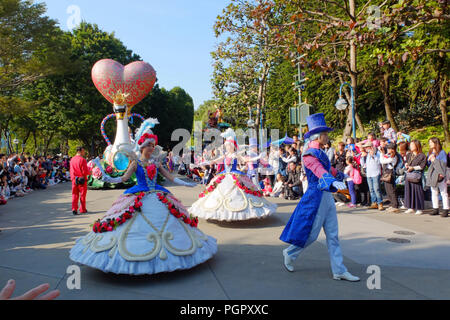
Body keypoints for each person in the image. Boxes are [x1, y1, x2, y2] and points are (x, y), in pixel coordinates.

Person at [70, 126, 217, 275]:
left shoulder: (157, 163)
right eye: (149, 145)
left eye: (153, 145)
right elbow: (123, 178)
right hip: (139, 194)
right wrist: (105, 176)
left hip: (157, 194)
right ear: (142, 147)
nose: (152, 148)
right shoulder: (135, 163)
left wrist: (185, 183)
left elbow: (170, 177)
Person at [280, 113, 359, 282]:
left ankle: (339, 270)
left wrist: (342, 176)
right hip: (316, 196)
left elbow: (328, 170)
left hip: (326, 196)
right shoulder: (309, 155)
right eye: (325, 133)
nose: (328, 136)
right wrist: (334, 183)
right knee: (311, 235)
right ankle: (290, 253)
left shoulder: (320, 152)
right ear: (320, 136)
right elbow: (320, 171)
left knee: (333, 235)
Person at [188, 128, 277, 221]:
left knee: (239, 193)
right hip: (224, 175)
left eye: (228, 145)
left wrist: (258, 157)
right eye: (226, 146)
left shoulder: (236, 155)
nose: (227, 147)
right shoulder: (225, 155)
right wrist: (201, 163)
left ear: (232, 146)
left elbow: (246, 160)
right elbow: (214, 161)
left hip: (235, 175)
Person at [426, 137, 448, 217]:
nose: (430, 144)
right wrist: (429, 160)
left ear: (436, 143)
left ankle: (446, 209)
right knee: (433, 192)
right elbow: (428, 165)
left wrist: (434, 159)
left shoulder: (442, 153)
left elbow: (443, 164)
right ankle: (435, 208)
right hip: (433, 175)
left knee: (443, 192)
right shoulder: (430, 152)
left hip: (440, 174)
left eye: (431, 142)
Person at [404, 140, 427, 215]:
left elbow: (422, 166)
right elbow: (406, 162)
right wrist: (407, 165)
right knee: (409, 191)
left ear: (417, 145)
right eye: (410, 145)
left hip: (416, 175)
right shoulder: (409, 155)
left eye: (412, 145)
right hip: (409, 174)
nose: (411, 146)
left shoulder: (422, 155)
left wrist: (413, 168)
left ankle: (419, 208)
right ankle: (410, 207)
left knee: (417, 191)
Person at [361, 144, 384, 211]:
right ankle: (374, 203)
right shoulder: (366, 155)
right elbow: (363, 165)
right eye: (365, 147)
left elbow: (379, 161)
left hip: (376, 173)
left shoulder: (377, 153)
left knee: (376, 189)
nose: (366, 148)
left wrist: (373, 155)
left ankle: (380, 203)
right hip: (369, 174)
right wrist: (362, 158)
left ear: (371, 147)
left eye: (367, 147)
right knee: (371, 189)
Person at [380, 144, 401, 213]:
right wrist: (383, 153)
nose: (388, 150)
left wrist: (381, 154)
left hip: (390, 173)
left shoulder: (394, 157)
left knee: (391, 190)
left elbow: (382, 161)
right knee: (388, 190)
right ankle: (392, 204)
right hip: (386, 173)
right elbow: (383, 159)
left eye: (389, 149)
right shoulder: (388, 155)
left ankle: (395, 205)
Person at [69, 146, 90, 215]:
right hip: (82, 179)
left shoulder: (72, 159)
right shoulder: (82, 160)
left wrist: (72, 178)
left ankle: (74, 209)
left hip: (74, 179)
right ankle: (82, 209)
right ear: (80, 151)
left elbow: (71, 170)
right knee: (82, 195)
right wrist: (90, 172)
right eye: (83, 151)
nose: (84, 152)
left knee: (74, 195)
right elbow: (84, 171)